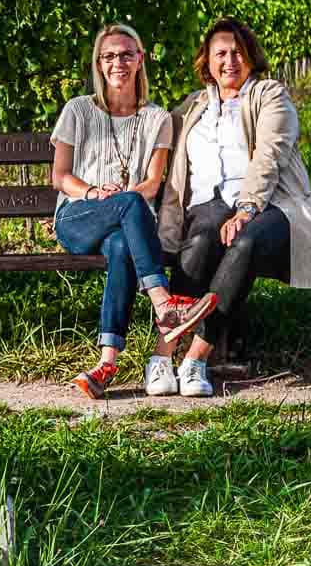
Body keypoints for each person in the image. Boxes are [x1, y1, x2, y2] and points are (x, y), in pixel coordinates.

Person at [153, 18, 311, 397]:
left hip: (269, 207)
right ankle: (162, 356)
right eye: (220, 53)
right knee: (198, 240)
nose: (229, 60)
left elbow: (268, 155)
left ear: (250, 56)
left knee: (242, 242)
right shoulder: (190, 107)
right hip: (208, 207)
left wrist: (246, 209)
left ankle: (196, 358)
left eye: (237, 52)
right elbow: (151, 140)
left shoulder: (269, 95)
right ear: (206, 61)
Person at [51, 23, 217, 400]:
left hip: (128, 222)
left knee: (124, 245)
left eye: (127, 54)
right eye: (109, 56)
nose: (118, 62)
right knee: (127, 203)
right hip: (79, 217)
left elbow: (152, 184)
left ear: (140, 59)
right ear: (98, 63)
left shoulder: (157, 118)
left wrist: (123, 197)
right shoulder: (78, 110)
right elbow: (60, 176)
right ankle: (164, 304)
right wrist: (94, 193)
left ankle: (106, 362)